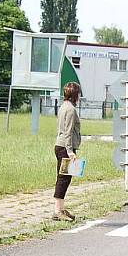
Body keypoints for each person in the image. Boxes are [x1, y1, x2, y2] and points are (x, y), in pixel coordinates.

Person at [53, 82, 82, 222]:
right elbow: (68, 132)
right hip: (65, 147)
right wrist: (70, 151)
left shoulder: (63, 106)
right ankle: (57, 211)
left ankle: (61, 208)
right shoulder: (70, 110)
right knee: (63, 178)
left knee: (65, 177)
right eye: (79, 93)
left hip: (60, 145)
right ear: (75, 94)